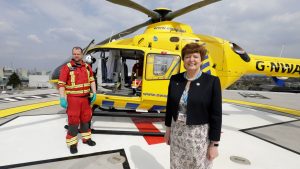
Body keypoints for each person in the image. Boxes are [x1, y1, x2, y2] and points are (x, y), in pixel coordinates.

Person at [164, 43, 222, 169]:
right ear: (183, 60)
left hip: (198, 137)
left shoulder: (212, 82)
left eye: (195, 56)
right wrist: (168, 131)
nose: (191, 60)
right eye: (187, 57)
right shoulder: (175, 79)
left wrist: (214, 145)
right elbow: (170, 107)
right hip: (177, 133)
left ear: (201, 60)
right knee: (176, 165)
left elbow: (216, 115)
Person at [58, 47, 97, 154]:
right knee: (73, 121)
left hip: (85, 99)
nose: (76, 55)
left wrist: (94, 93)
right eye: (74, 54)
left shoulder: (87, 67)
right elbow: (61, 84)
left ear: (82, 54)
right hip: (73, 100)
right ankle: (72, 144)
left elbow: (92, 80)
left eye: (78, 54)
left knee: (86, 119)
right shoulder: (67, 67)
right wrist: (62, 98)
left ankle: (86, 139)